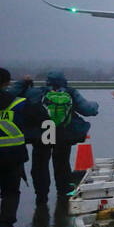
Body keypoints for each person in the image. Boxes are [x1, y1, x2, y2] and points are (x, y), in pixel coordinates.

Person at [23, 70, 97, 209]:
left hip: (44, 132)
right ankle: (63, 191)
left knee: (40, 165)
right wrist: (96, 106)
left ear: (48, 81)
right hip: (63, 133)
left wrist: (25, 84)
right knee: (62, 163)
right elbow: (88, 109)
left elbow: (16, 97)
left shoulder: (37, 92)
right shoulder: (70, 93)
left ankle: (41, 196)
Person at [0, 69, 31, 227]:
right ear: (7, 83)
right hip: (13, 156)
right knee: (11, 193)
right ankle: (6, 225)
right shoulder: (18, 103)